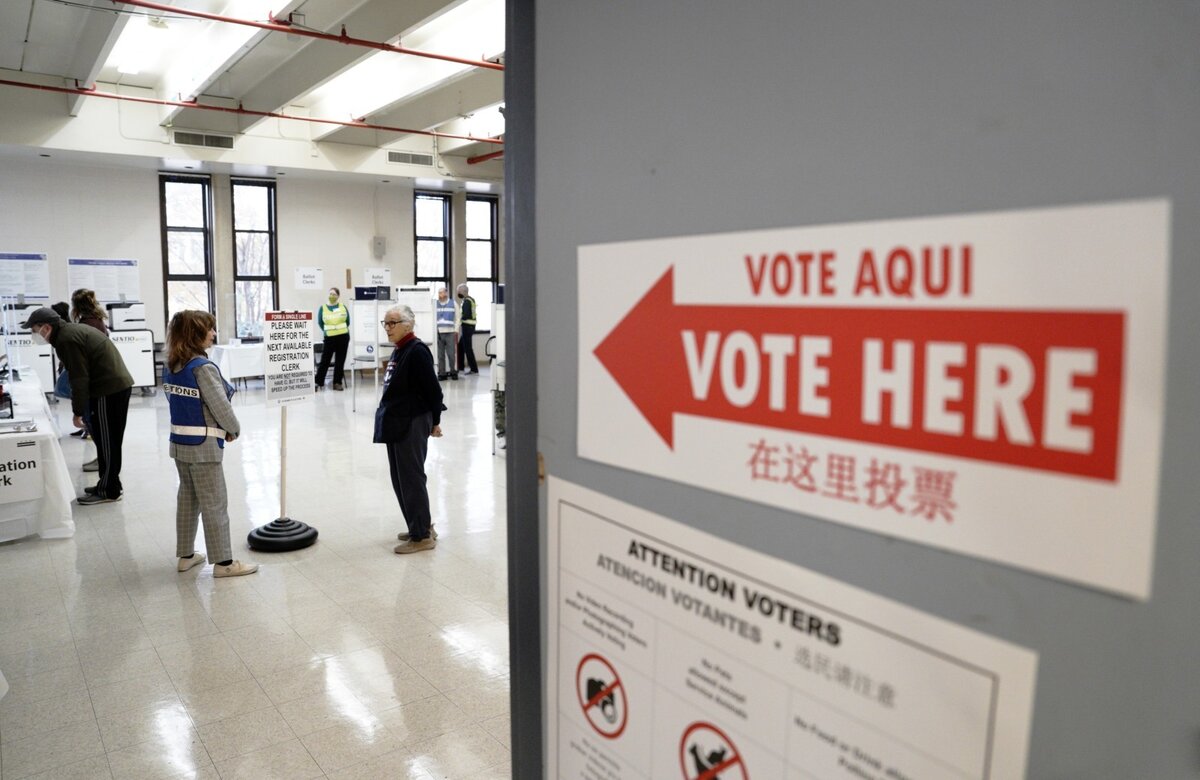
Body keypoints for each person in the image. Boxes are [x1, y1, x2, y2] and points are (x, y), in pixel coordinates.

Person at [164, 310, 258, 578]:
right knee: (214, 502)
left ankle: (185, 556)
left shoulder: (172, 366)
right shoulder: (202, 368)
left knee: (188, 499)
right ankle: (224, 563)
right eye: (209, 329)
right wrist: (233, 429)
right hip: (203, 447)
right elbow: (220, 406)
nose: (213, 334)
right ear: (195, 334)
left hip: (180, 443)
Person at [22, 307, 132, 505]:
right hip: (112, 386)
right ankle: (108, 483)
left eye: (34, 329)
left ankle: (110, 490)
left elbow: (79, 378)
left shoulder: (66, 339)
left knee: (107, 441)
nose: (33, 334)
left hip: (108, 389)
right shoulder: (68, 333)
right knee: (108, 441)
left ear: (46, 327)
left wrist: (78, 412)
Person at [375, 305, 445, 554]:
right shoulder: (400, 349)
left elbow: (434, 391)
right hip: (397, 421)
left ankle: (422, 536)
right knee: (400, 478)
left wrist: (435, 421)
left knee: (411, 478)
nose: (387, 328)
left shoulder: (416, 351)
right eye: (385, 323)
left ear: (408, 324)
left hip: (412, 421)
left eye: (392, 323)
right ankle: (420, 524)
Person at [315, 287, 350, 390]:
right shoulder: (323, 308)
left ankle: (337, 383)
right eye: (330, 294)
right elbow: (320, 323)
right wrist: (328, 330)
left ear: (338, 296)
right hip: (329, 337)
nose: (332, 296)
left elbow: (347, 321)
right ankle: (318, 382)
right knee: (325, 360)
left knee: (340, 361)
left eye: (334, 294)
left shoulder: (343, 307)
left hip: (343, 337)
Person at [434, 285, 457, 381]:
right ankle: (442, 373)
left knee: (451, 354)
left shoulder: (453, 303)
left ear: (446, 293)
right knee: (440, 355)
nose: (440, 295)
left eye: (442, 292)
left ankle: (453, 372)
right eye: (439, 293)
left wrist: (456, 330)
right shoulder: (435, 304)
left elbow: (458, 317)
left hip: (450, 332)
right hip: (439, 332)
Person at [456, 283, 479, 376]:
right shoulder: (471, 299)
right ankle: (461, 367)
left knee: (468, 348)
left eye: (458, 291)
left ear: (463, 291)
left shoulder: (466, 302)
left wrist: (458, 319)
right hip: (470, 327)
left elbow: (465, 315)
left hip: (467, 327)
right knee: (461, 346)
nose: (458, 293)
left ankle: (474, 369)